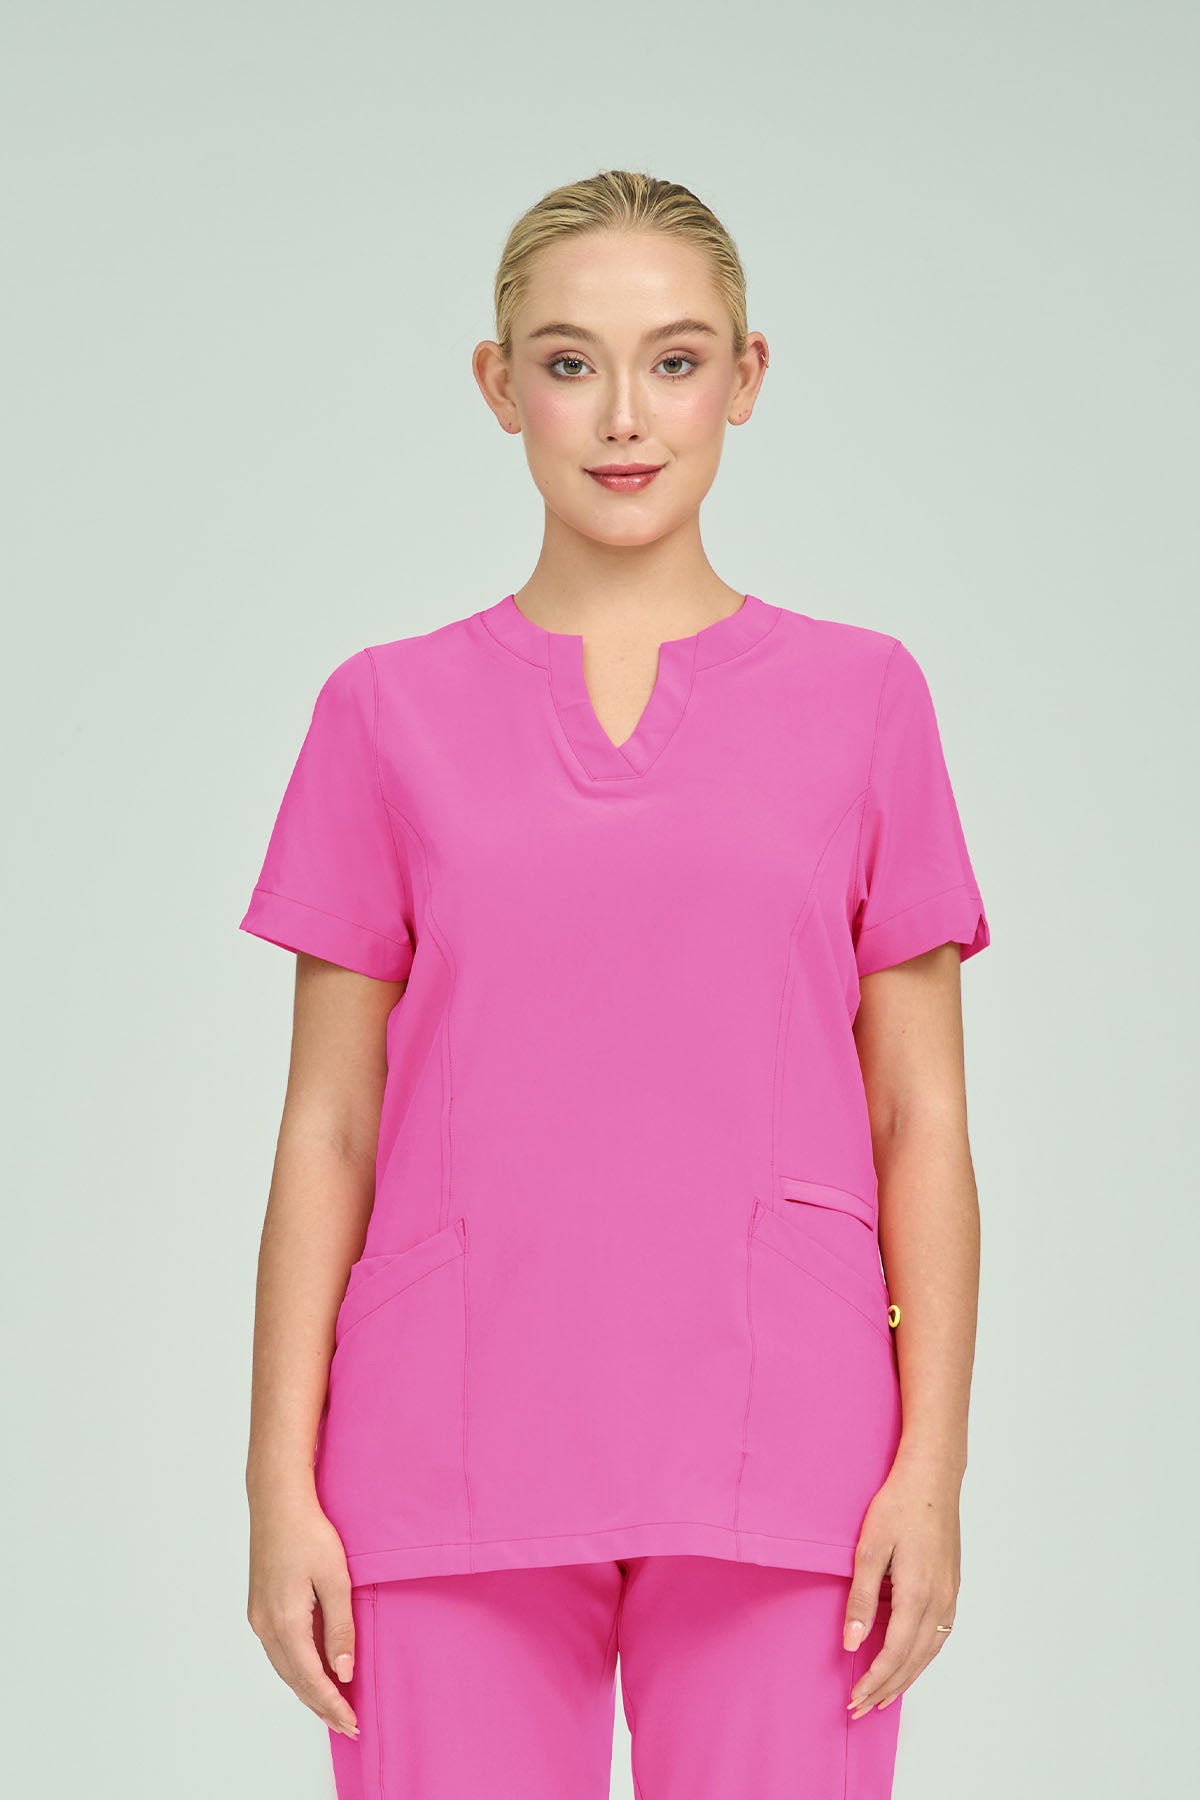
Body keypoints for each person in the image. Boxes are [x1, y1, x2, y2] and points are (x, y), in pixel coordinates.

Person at [239, 168, 991, 1800]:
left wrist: (930, 1468)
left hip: (785, 1450)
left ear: (747, 377)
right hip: (443, 1450)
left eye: (676, 359)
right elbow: (328, 1129)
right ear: (499, 383)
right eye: (571, 362)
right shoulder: (383, 714)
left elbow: (921, 1116)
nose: (625, 415)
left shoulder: (867, 702)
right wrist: (275, 1488)